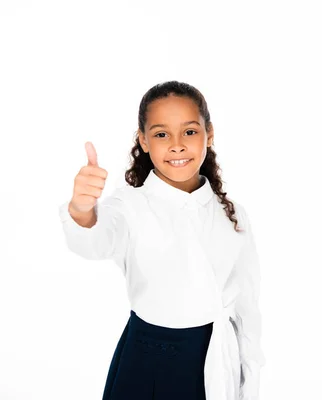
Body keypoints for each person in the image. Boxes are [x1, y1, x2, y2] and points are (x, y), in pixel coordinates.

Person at [58, 81, 264, 400]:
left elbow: (247, 305)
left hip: (215, 360)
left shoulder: (233, 215)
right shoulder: (129, 207)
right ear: (143, 140)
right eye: (161, 134)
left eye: (190, 132)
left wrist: (249, 375)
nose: (177, 145)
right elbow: (96, 240)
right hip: (148, 363)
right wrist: (82, 210)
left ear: (209, 134)